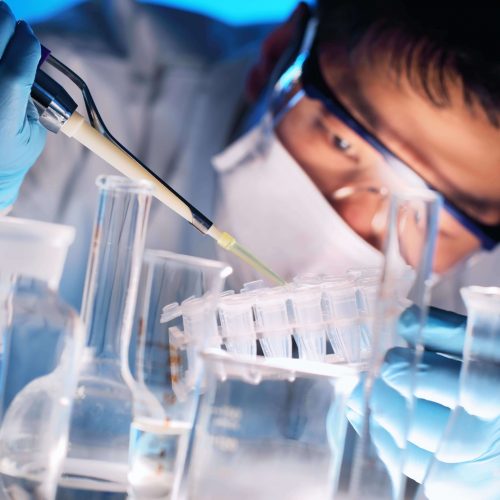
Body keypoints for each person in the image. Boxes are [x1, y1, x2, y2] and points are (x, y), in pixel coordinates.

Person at [0, 0, 499, 494]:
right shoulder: (60, 91)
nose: (358, 224)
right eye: (343, 145)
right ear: (279, 57)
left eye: (438, 211)